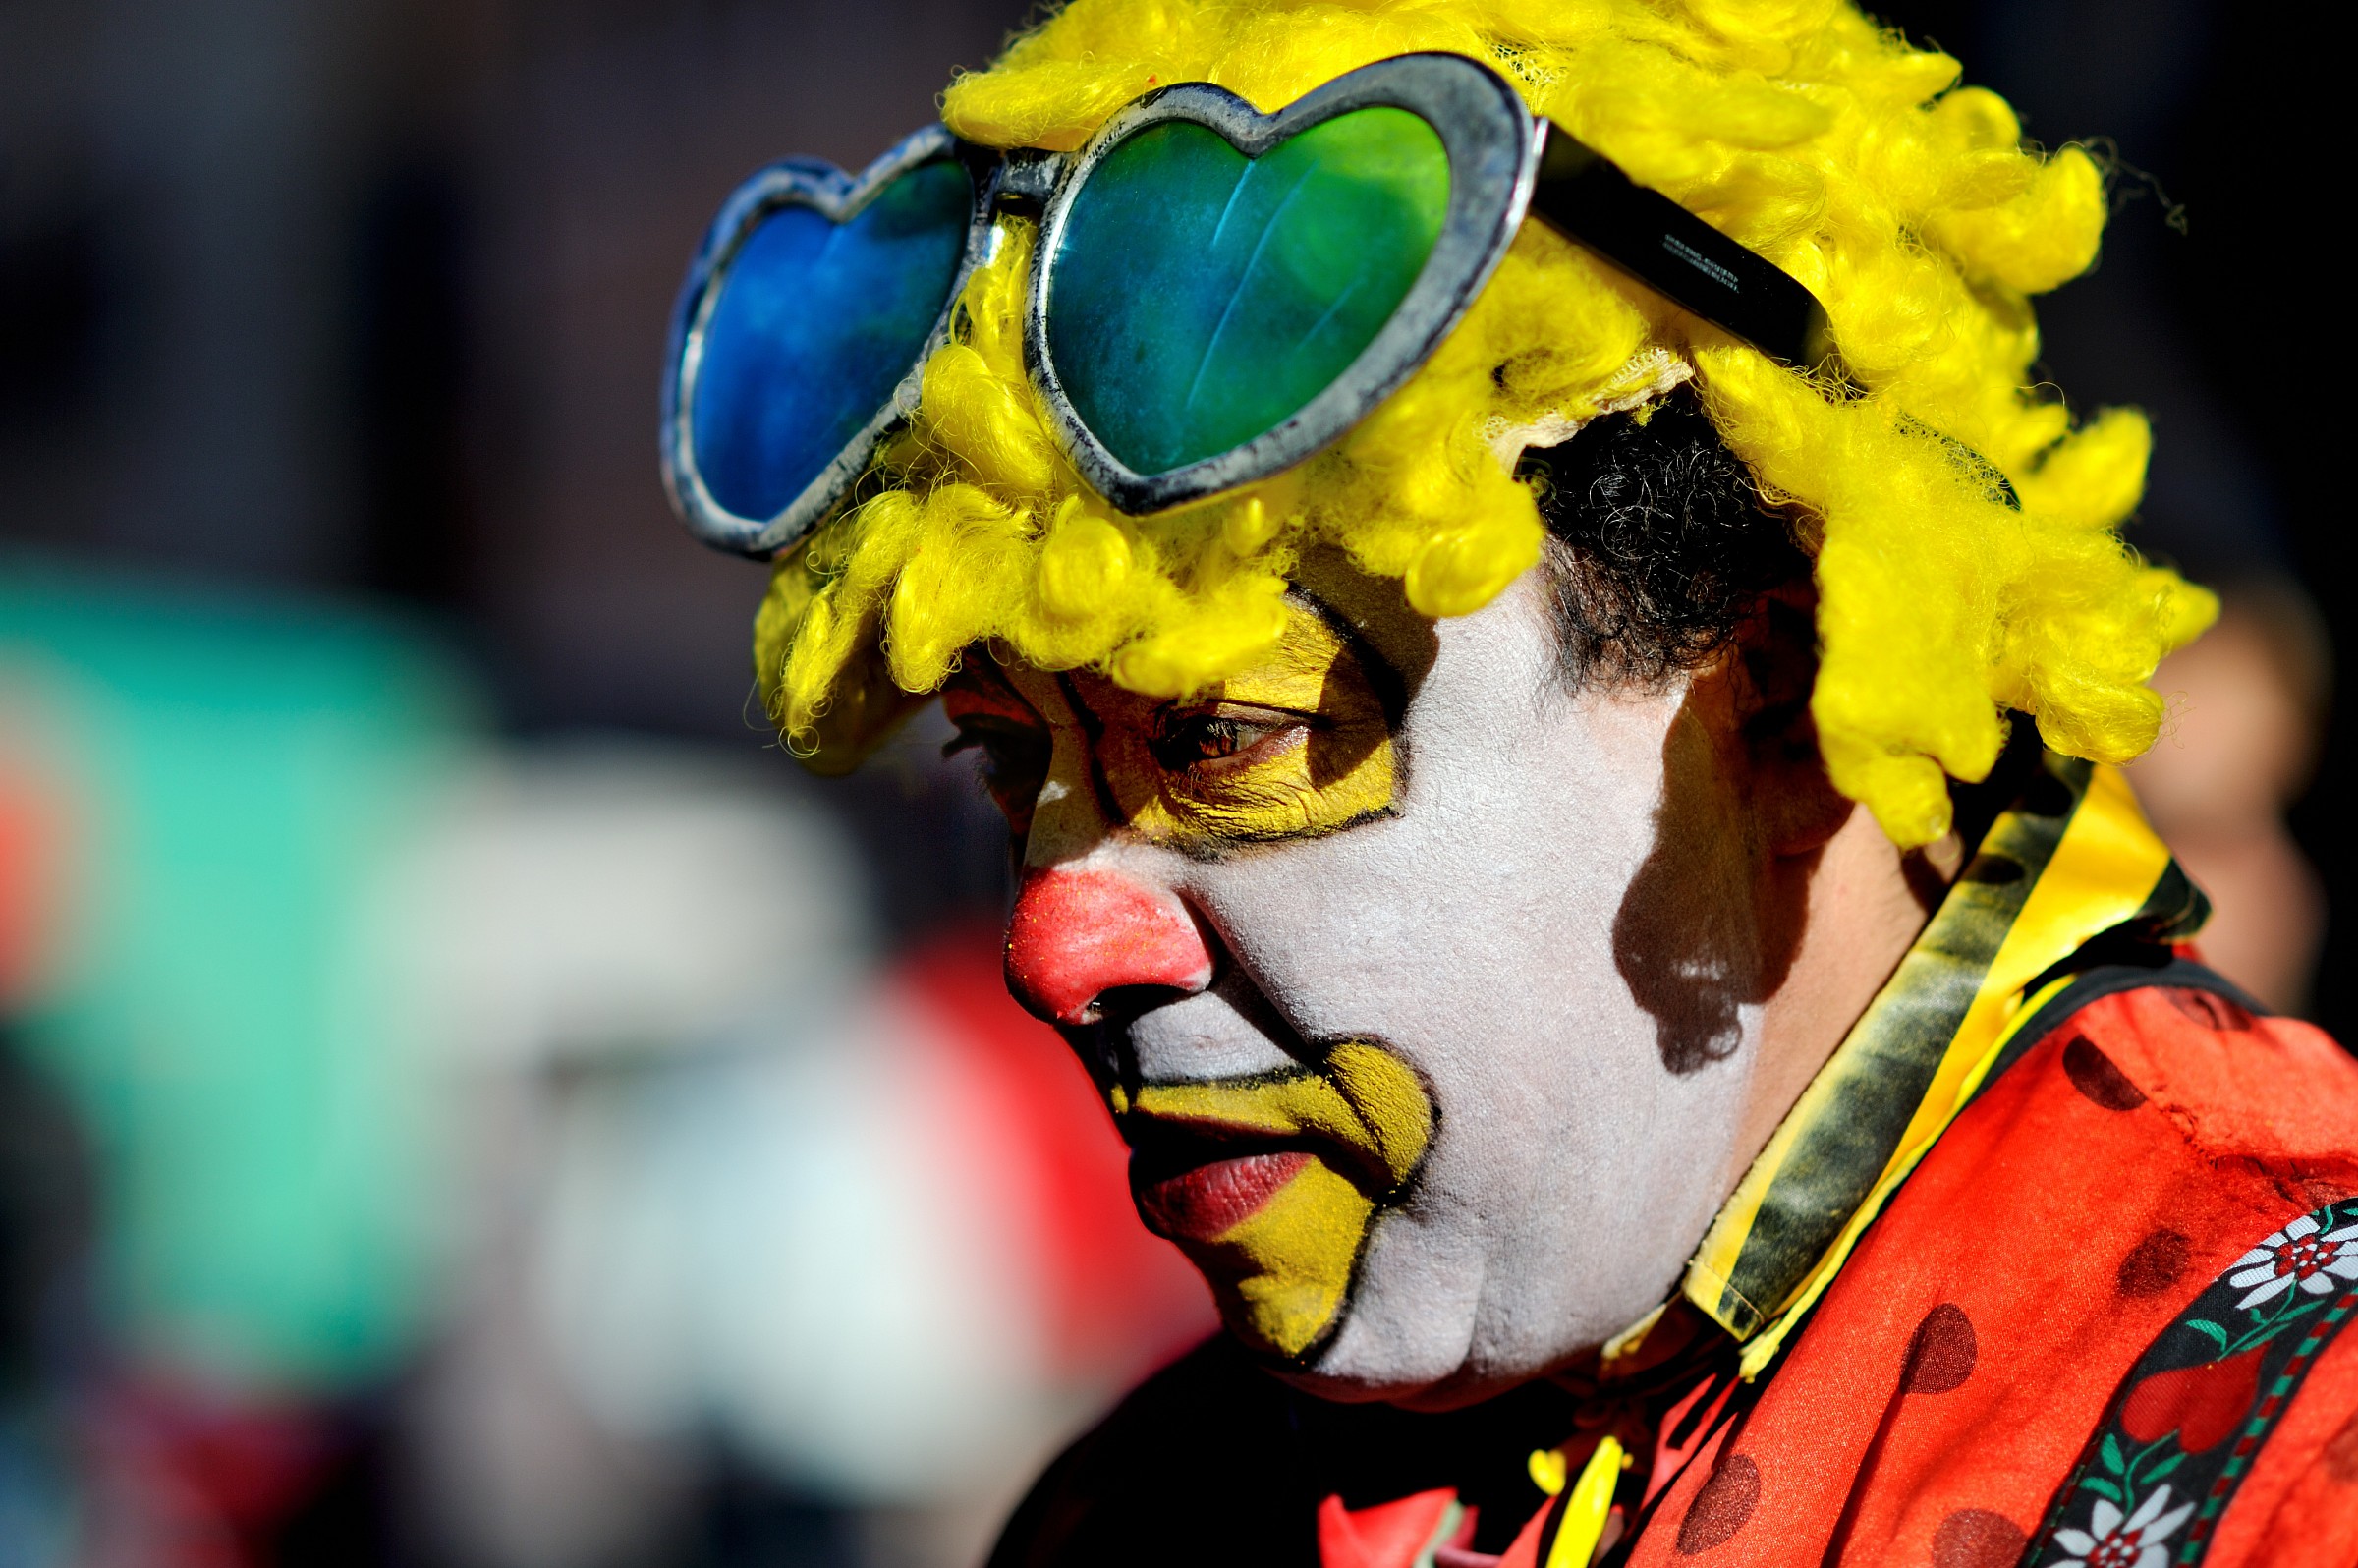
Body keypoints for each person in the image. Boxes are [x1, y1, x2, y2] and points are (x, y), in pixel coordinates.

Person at [668, 0, 2358, 1561]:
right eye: (1009, 759)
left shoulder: (2305, 1442)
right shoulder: (1140, 1516)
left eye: (1221, 741)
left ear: (1775, 680)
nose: (1063, 946)